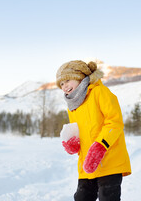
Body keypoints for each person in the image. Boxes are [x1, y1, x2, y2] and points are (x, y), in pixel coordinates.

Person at [56, 60, 131, 201]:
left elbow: (114, 122)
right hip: (87, 164)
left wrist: (100, 146)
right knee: (82, 197)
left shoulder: (99, 92)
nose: (64, 86)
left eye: (67, 80)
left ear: (79, 76)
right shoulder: (73, 105)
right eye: (61, 84)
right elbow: (78, 131)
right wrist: (74, 144)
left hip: (110, 161)